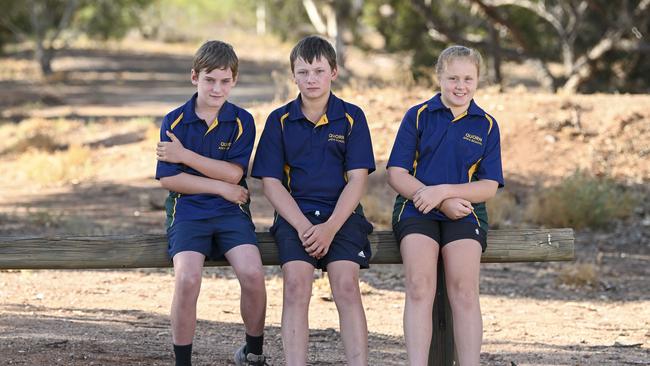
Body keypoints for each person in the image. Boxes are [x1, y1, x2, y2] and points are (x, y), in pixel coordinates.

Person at [251, 35, 375, 366]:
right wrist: (307, 228)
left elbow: (358, 180)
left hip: (342, 216)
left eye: (319, 71)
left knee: (346, 284)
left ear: (334, 72)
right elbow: (271, 183)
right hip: (296, 217)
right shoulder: (279, 120)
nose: (311, 80)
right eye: (303, 72)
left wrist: (330, 228)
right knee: (296, 283)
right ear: (293, 75)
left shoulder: (352, 117)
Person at [386, 45, 504, 366]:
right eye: (452, 78)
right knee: (420, 286)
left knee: (464, 290)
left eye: (468, 78)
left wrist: (445, 194)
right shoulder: (419, 116)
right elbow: (396, 173)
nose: (460, 86)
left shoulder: (486, 125)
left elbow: (488, 186)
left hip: (464, 211)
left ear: (478, 80)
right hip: (415, 208)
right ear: (439, 77)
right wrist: (432, 197)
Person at [155, 40, 268, 366]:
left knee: (252, 273)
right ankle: (183, 361)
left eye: (224, 81)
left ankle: (253, 352)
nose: (217, 88)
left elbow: (234, 173)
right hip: (188, 211)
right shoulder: (174, 121)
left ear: (234, 81)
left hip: (231, 212)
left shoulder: (242, 120)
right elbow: (170, 179)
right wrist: (221, 189)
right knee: (188, 278)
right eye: (209, 80)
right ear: (195, 77)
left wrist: (186, 156)